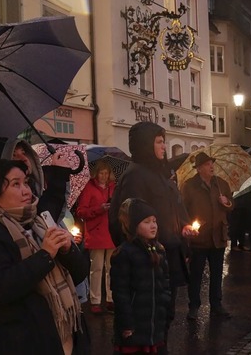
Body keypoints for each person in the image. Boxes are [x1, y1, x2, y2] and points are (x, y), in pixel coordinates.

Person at [0, 159, 89, 354]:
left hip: (65, 336)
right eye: (15, 184)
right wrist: (45, 255)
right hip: (25, 341)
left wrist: (68, 250)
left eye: (26, 182)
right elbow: (0, 288)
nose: (26, 190)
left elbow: (79, 274)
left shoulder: (39, 222)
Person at [108, 122, 197, 335]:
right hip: (148, 263)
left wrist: (183, 227)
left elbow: (172, 209)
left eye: (163, 142)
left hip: (167, 256)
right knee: (149, 320)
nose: (164, 147)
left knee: (165, 316)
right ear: (145, 145)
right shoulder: (135, 176)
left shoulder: (160, 174)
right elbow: (127, 221)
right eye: (159, 142)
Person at [110, 198, 170, 355]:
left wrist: (167, 310)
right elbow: (120, 292)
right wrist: (126, 323)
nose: (153, 225)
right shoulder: (124, 253)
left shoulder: (159, 250)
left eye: (154, 221)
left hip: (155, 325)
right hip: (134, 327)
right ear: (134, 226)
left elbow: (165, 284)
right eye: (147, 222)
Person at [181, 152, 233, 320]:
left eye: (212, 164)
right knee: (196, 274)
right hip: (199, 238)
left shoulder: (221, 184)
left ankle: (216, 304)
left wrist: (227, 203)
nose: (211, 167)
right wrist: (188, 226)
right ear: (199, 168)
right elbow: (183, 210)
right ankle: (194, 306)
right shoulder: (189, 185)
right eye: (207, 164)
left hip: (218, 237)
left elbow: (232, 204)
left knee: (217, 274)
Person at [76, 161, 116, 314]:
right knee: (97, 268)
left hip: (111, 232)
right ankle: (95, 300)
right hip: (96, 232)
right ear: (96, 174)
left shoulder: (113, 187)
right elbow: (81, 211)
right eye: (101, 173)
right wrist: (99, 209)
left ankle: (111, 298)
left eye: (106, 173)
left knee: (111, 268)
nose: (104, 176)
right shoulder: (89, 188)